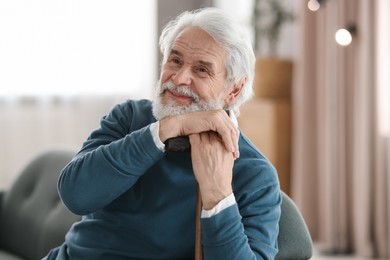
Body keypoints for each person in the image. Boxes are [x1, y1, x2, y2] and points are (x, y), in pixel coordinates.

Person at [46, 7, 281, 260]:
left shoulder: (255, 174)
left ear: (233, 91)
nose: (179, 78)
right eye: (175, 60)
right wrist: (165, 130)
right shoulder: (129, 117)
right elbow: (75, 195)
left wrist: (217, 193)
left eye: (201, 70)